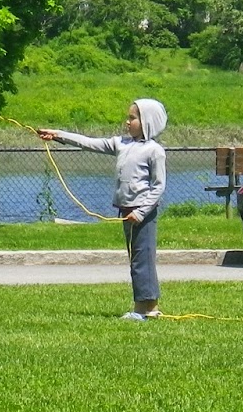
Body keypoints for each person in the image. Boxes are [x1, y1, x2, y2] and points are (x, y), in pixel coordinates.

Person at [38, 98, 168, 321]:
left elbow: (158, 187)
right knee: (138, 259)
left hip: (142, 215)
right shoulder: (121, 144)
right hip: (127, 212)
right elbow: (88, 142)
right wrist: (58, 135)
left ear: (147, 121)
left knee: (142, 260)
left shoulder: (154, 151)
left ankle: (142, 309)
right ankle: (150, 307)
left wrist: (140, 213)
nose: (127, 122)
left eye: (132, 118)